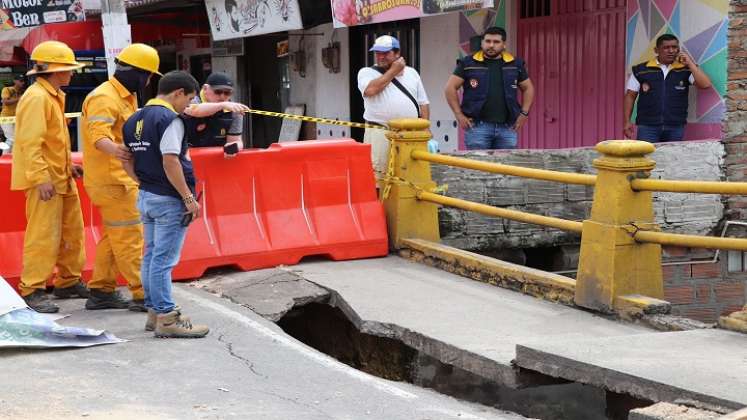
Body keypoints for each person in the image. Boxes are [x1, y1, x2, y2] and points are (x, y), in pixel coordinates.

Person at [123, 70, 209, 338]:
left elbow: (126, 159)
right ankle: (167, 317)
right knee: (163, 260)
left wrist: (145, 183)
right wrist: (188, 197)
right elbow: (170, 160)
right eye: (190, 99)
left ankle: (154, 313)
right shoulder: (170, 119)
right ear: (178, 93)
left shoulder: (133, 119)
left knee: (150, 256)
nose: (189, 106)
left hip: (146, 196)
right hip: (169, 199)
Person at [81, 43, 162, 312]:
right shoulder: (104, 97)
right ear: (137, 73)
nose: (148, 81)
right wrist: (122, 152)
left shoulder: (126, 97)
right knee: (129, 236)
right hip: (112, 180)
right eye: (148, 75)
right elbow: (98, 137)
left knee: (114, 236)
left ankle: (101, 290)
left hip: (120, 178)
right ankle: (142, 294)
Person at [10, 41, 89, 313]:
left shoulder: (52, 94)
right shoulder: (37, 98)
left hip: (59, 177)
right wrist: (40, 177)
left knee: (71, 231)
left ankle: (67, 281)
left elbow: (54, 141)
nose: (71, 73)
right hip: (45, 179)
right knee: (43, 235)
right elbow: (31, 143)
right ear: (54, 70)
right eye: (68, 69)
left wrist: (68, 165)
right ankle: (32, 289)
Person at [445, 26, 535, 150]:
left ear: (504, 44)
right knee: (478, 167)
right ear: (482, 43)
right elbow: (450, 88)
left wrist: (524, 113)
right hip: (477, 127)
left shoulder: (515, 64)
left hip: (507, 128)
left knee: (506, 167)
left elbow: (528, 88)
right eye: (487, 41)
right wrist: (459, 114)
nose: (491, 45)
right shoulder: (467, 63)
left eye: (496, 42)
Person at [357, 35, 429, 179]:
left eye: (386, 53)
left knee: (410, 175)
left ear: (397, 54)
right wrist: (393, 71)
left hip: (410, 133)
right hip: (380, 131)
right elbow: (370, 90)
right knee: (379, 176)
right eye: (378, 53)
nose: (381, 57)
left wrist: (425, 128)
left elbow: (423, 103)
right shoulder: (366, 72)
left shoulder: (412, 73)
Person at [624, 34, 712, 143]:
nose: (671, 51)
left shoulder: (684, 69)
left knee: (672, 159)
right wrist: (627, 121)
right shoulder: (641, 70)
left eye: (674, 47)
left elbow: (705, 84)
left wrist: (690, 63)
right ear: (656, 50)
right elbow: (630, 96)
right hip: (647, 126)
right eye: (666, 48)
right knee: (647, 159)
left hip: (675, 127)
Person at [182, 71, 248, 158]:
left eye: (227, 93)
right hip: (187, 159)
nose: (222, 96)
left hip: (216, 160)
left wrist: (233, 148)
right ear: (205, 89)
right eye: (218, 92)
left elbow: (236, 140)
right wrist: (222, 105)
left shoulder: (234, 111)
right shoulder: (192, 100)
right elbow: (194, 110)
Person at [1, 74, 27, 153]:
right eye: (20, 81)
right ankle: (4, 158)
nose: (22, 83)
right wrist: (19, 98)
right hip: (6, 118)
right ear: (15, 81)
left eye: (23, 81)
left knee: (16, 139)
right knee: (11, 139)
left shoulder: (21, 92)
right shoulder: (7, 89)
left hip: (16, 117)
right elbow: (6, 102)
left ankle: (11, 158)